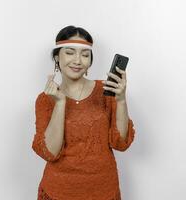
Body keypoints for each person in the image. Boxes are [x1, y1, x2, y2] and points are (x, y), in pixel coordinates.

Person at [31, 25, 136, 200]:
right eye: (70, 52)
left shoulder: (106, 91)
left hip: (103, 191)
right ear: (57, 57)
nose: (78, 60)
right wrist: (60, 103)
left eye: (85, 55)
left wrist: (121, 100)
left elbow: (121, 143)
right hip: (58, 192)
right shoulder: (45, 99)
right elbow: (51, 152)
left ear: (90, 61)